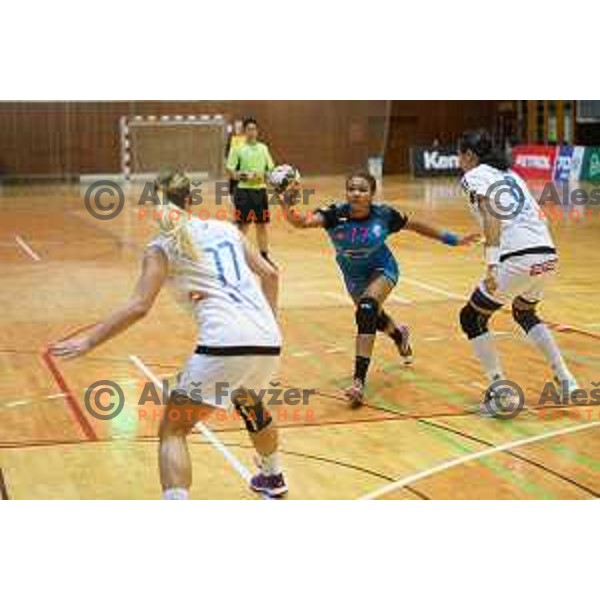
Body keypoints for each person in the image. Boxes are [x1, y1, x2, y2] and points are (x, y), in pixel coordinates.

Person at [50, 168, 288, 498]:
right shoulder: (227, 230)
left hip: (223, 343)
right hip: (267, 340)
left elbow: (139, 306)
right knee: (251, 404)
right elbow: (271, 275)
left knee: (173, 430)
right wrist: (269, 324)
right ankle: (273, 476)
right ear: (191, 199)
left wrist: (89, 340)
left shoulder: (162, 246)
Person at [278, 170, 478, 407]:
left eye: (362, 190)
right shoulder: (334, 214)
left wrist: (453, 239)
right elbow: (301, 222)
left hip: (383, 269)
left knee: (366, 309)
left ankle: (358, 383)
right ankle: (398, 334)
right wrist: (286, 205)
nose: (356, 194)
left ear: (372, 194)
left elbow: (416, 225)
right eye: (351, 189)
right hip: (353, 277)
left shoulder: (384, 215)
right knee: (374, 317)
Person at [458, 130, 578, 417]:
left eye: (460, 154)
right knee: (524, 312)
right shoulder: (510, 173)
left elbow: (492, 214)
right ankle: (566, 378)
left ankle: (499, 389)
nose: (458, 160)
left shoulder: (473, 176)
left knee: (471, 317)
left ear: (470, 156)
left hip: (516, 257)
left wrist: (491, 262)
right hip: (546, 253)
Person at [226, 118, 276, 265]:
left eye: (254, 129)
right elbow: (230, 170)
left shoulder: (263, 148)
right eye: (249, 129)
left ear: (257, 131)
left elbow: (271, 169)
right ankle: (236, 256)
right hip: (243, 192)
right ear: (245, 132)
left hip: (260, 192)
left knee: (261, 225)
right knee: (243, 226)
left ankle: (264, 256)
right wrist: (244, 175)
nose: (252, 132)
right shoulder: (238, 149)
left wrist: (264, 175)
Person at [225, 120, 246, 198]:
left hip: (243, 162)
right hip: (233, 162)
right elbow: (228, 149)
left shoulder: (245, 138)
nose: (238, 129)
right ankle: (231, 194)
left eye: (240, 127)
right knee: (233, 178)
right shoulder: (232, 138)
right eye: (237, 127)